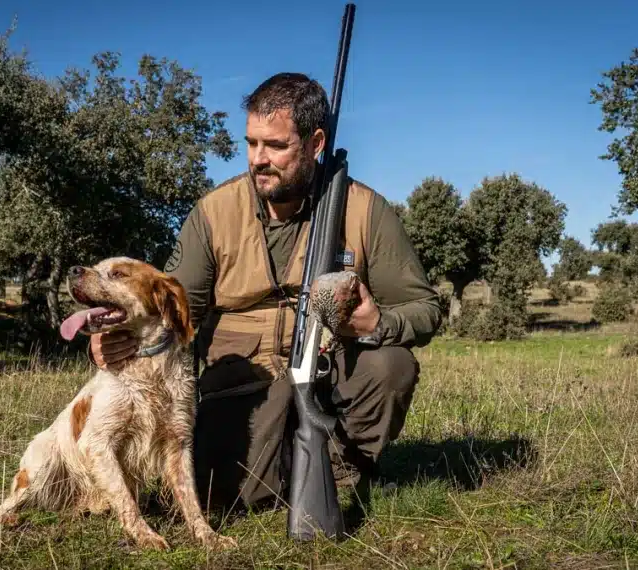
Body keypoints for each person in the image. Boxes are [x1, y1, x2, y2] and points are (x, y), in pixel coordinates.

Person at [89, 72, 443, 510]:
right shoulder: (214, 212)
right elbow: (175, 312)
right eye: (251, 143)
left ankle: (340, 474)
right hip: (242, 383)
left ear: (315, 144)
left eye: (275, 146)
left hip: (328, 372)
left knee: (391, 365)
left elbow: (426, 309)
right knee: (229, 494)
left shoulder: (366, 210)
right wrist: (118, 339)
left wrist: (380, 323)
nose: (258, 158)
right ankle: (284, 470)